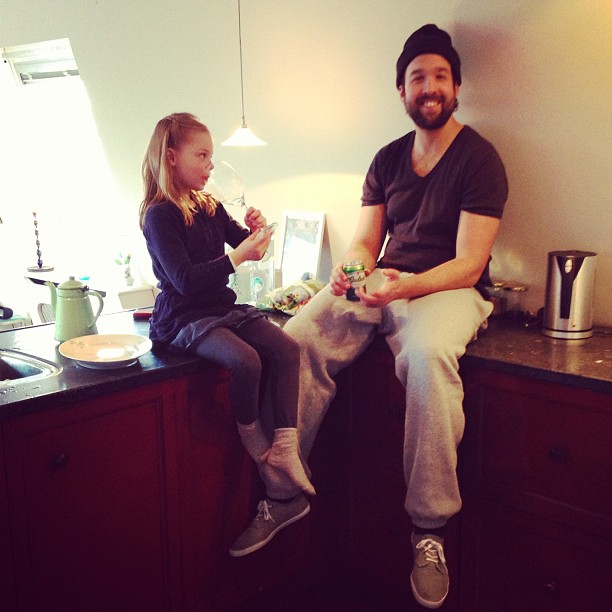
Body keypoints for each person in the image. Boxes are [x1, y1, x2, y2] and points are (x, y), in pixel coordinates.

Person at [284, 25, 508, 609]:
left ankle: (429, 530)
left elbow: (470, 263)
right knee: (298, 336)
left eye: (440, 76)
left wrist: (405, 287)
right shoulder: (387, 158)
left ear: (456, 87)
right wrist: (351, 271)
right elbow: (366, 240)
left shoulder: (480, 159)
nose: (429, 87)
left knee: (428, 359)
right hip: (388, 281)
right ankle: (285, 489)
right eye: (417, 77)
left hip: (450, 288)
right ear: (402, 90)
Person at [139, 112, 315, 559]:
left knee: (287, 348)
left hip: (220, 307)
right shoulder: (160, 215)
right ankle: (256, 445)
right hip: (184, 316)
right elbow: (184, 280)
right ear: (172, 157)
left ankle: (285, 448)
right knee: (246, 360)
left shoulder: (208, 205)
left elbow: (249, 248)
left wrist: (258, 231)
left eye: (211, 156)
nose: (210, 165)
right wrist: (238, 257)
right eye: (202, 156)